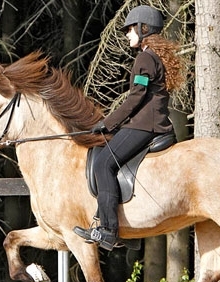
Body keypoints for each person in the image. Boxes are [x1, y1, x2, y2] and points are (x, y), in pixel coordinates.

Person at [73, 5, 185, 251]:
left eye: (130, 29)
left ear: (144, 29)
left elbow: (136, 98)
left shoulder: (145, 58)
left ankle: (108, 230)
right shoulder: (152, 56)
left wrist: (107, 123)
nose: (126, 34)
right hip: (149, 123)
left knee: (104, 163)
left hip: (147, 126)